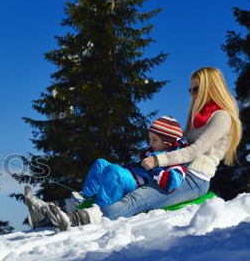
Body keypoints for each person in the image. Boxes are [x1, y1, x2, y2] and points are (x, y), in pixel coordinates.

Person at [26, 67, 242, 232]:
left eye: (196, 89)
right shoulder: (197, 116)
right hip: (172, 170)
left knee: (132, 201)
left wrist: (158, 161)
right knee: (112, 178)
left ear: (209, 88)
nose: (192, 94)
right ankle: (51, 211)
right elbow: (180, 144)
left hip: (192, 180)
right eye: (190, 89)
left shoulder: (222, 117)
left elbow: (194, 151)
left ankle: (76, 220)